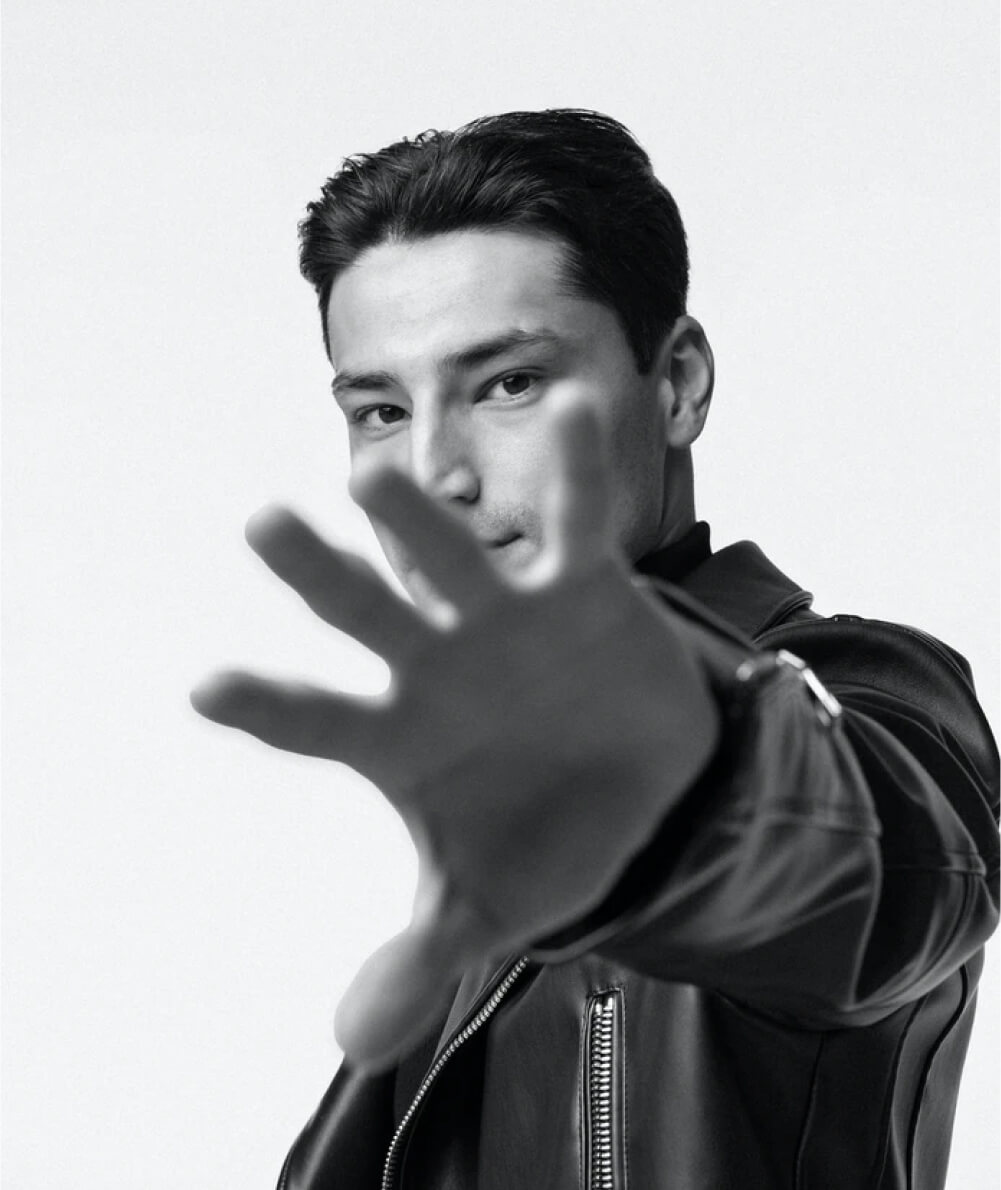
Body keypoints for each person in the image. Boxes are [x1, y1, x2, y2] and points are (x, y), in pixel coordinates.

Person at [191, 109, 999, 1189]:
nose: (434, 473)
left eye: (508, 383)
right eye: (380, 409)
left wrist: (691, 773)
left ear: (677, 383)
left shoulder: (864, 691)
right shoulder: (501, 803)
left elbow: (877, 881)